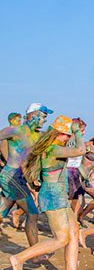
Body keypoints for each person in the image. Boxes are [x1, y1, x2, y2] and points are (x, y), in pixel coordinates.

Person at [9, 115, 85, 270]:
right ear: (58, 133)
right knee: (61, 238)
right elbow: (80, 151)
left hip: (58, 195)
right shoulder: (53, 148)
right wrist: (78, 131)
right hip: (53, 195)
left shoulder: (52, 147)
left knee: (74, 233)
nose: (69, 138)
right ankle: (18, 258)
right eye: (67, 134)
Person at [0, 103, 52, 247]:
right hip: (11, 176)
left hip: (20, 178)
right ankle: (35, 253)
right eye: (43, 117)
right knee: (32, 212)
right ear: (33, 115)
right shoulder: (15, 131)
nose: (44, 120)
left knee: (1, 213)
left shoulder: (38, 135)